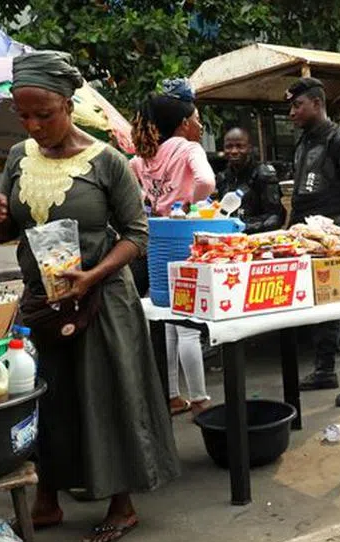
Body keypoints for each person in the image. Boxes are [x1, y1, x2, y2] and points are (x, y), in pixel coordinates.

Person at [0, 50, 179, 542]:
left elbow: (137, 235)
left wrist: (92, 275)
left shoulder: (107, 160)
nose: (34, 125)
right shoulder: (19, 158)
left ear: (68, 105)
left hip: (101, 299)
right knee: (48, 395)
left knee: (106, 394)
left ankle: (121, 505)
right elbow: (7, 231)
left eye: (44, 114)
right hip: (44, 301)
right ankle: (48, 494)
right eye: (24, 116)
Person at [286, 76, 340, 407]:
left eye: (298, 105)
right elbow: (300, 198)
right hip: (312, 241)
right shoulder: (304, 142)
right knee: (319, 306)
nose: (292, 112)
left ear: (317, 103)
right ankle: (325, 369)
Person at [130, 81, 215, 417]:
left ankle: (172, 395)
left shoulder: (142, 158)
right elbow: (207, 183)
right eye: (196, 119)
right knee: (188, 324)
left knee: (167, 319)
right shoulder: (186, 148)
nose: (199, 125)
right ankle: (199, 398)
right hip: (184, 239)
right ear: (183, 123)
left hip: (157, 240)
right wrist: (184, 201)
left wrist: (156, 204)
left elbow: (135, 188)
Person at [215, 127, 285, 234]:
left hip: (257, 238)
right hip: (229, 239)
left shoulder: (263, 174)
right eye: (229, 147)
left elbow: (275, 216)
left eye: (239, 146)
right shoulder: (223, 177)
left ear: (249, 148)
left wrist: (244, 227)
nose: (234, 151)